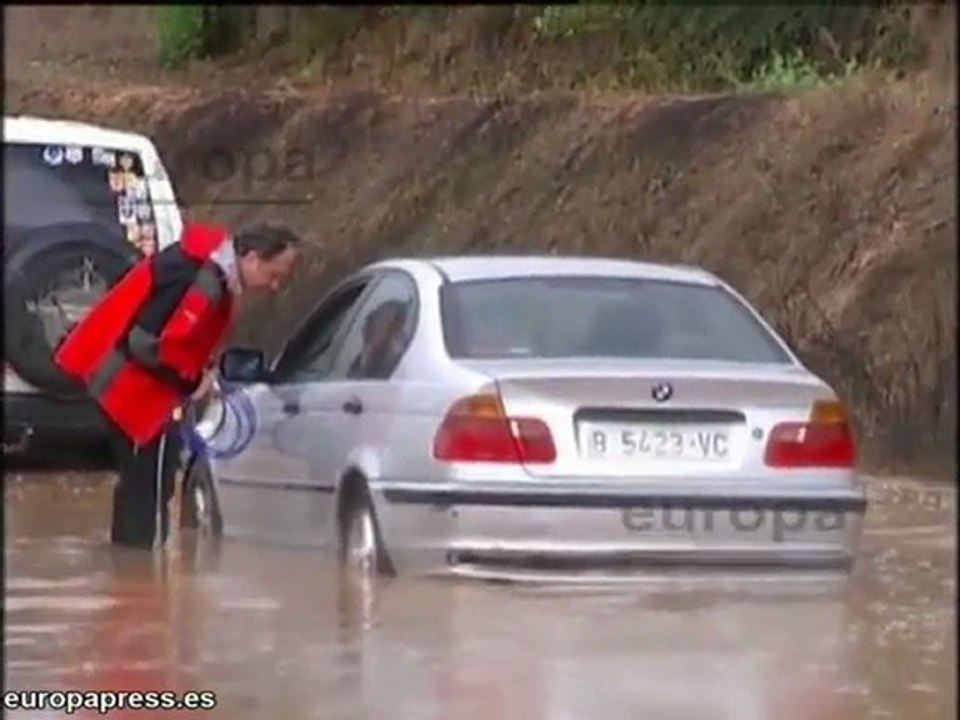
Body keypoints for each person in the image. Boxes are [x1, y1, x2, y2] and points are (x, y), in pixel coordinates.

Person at [54, 221, 302, 549]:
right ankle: (140, 578)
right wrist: (191, 381)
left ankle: (128, 573)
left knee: (142, 486)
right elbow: (144, 343)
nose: (273, 287)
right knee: (150, 489)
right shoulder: (203, 279)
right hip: (129, 390)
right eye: (275, 275)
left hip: (129, 385)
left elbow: (177, 339)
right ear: (252, 258)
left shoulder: (207, 270)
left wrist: (199, 372)